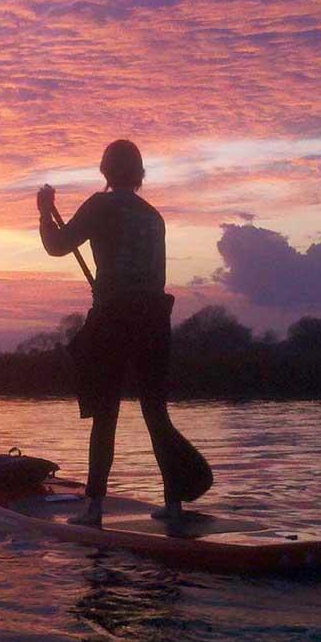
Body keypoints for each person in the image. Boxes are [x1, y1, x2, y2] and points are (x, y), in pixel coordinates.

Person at [38, 139, 208, 526]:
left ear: (105, 172)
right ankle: (174, 504)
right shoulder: (154, 217)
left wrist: (46, 214)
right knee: (155, 411)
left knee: (105, 412)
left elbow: (58, 246)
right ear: (140, 174)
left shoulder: (101, 205)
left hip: (115, 316)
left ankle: (94, 507)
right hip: (154, 319)